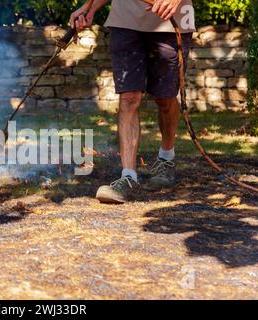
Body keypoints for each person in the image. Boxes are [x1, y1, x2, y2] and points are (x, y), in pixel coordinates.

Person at [70, 0, 195, 204]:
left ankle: (166, 158)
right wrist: (89, 8)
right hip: (125, 21)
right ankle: (128, 176)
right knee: (129, 97)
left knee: (165, 98)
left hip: (171, 21)